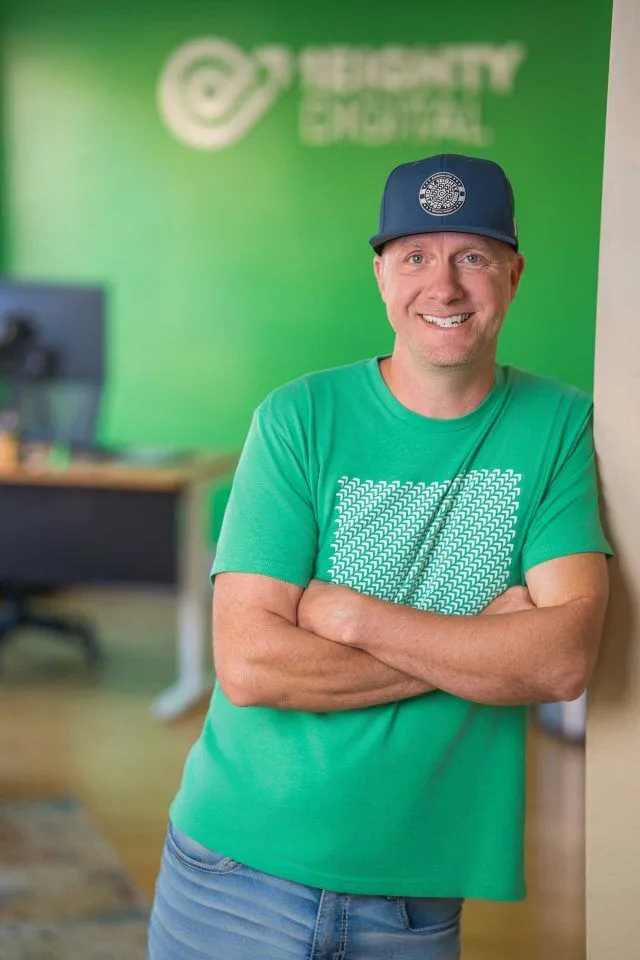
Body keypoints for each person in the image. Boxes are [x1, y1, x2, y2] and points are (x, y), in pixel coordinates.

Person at [147, 154, 612, 960]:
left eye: (472, 256)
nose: (445, 287)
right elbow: (253, 664)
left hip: (415, 898)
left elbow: (562, 660)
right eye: (415, 257)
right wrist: (481, 642)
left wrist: (349, 616)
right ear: (380, 274)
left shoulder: (560, 425)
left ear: (514, 272)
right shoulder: (298, 418)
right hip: (233, 869)